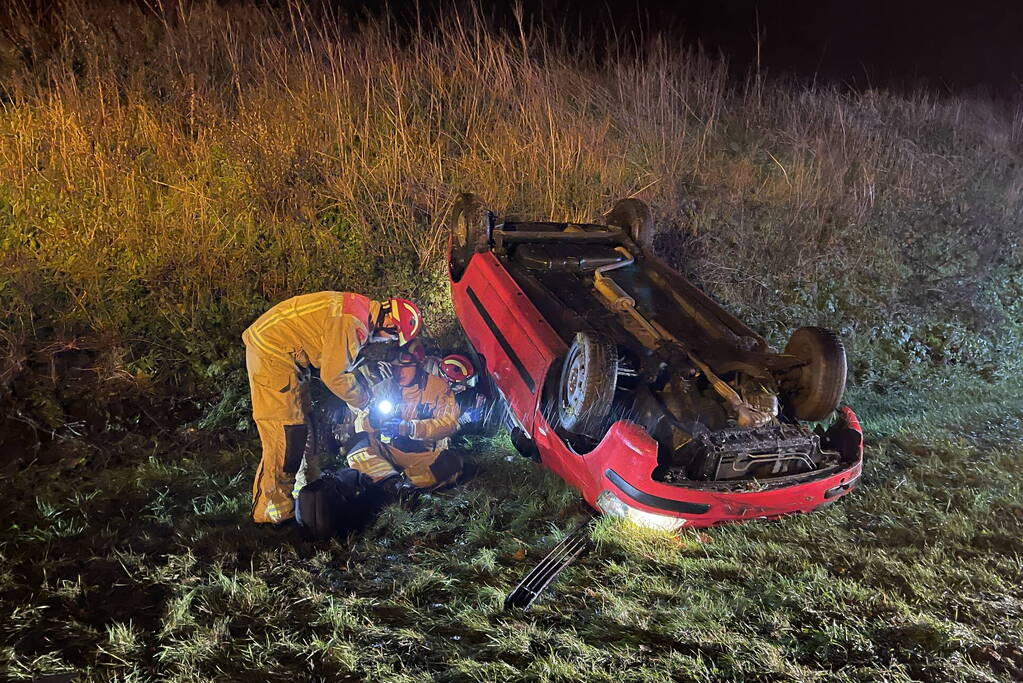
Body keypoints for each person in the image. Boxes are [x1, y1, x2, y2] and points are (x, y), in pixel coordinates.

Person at [243, 292, 422, 525]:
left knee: (305, 426)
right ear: (389, 321)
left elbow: (342, 365)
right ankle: (271, 517)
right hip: (273, 353)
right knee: (285, 435)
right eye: (392, 336)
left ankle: (308, 493)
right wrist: (364, 403)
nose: (387, 341)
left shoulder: (358, 312)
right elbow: (335, 376)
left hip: (287, 357)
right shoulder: (354, 322)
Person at [346, 340, 463, 493]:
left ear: (419, 365)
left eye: (405, 367)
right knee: (357, 443)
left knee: (452, 462)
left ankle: (405, 485)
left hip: (423, 456)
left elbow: (449, 423)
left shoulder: (439, 388)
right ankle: (390, 483)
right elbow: (360, 425)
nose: (399, 372)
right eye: (395, 367)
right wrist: (371, 421)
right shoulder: (383, 389)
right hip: (391, 453)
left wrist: (411, 428)